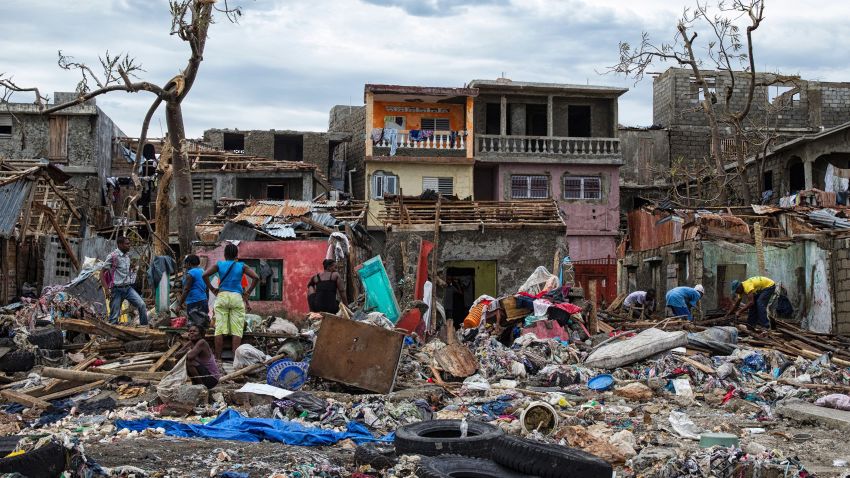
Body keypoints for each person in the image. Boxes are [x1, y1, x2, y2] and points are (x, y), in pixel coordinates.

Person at [202, 243, 259, 360]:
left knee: (219, 329)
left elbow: (205, 275)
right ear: (236, 255)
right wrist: (248, 293)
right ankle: (235, 359)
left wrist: (212, 289)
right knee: (237, 330)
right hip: (237, 297)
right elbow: (256, 277)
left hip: (222, 296)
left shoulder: (219, 265)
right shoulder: (241, 266)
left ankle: (218, 359)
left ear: (225, 254)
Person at [101, 236, 148, 326]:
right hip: (116, 290)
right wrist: (106, 289)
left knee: (142, 305)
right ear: (120, 245)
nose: (129, 246)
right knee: (114, 317)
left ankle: (144, 329)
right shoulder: (113, 256)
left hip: (128, 288)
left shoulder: (127, 256)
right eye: (127, 244)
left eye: (129, 244)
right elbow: (102, 273)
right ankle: (111, 337)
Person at [180, 324, 220, 389]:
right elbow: (176, 355)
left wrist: (186, 351)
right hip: (204, 376)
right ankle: (195, 383)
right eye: (190, 331)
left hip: (212, 379)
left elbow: (189, 357)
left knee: (189, 362)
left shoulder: (202, 342)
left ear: (201, 334)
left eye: (194, 331)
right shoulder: (190, 343)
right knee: (184, 362)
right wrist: (186, 350)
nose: (191, 333)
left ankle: (201, 387)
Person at [176, 254, 209, 328]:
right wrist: (207, 301)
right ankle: (202, 339)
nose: (185, 266)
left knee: (193, 325)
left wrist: (179, 304)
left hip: (194, 302)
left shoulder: (190, 274)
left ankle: (195, 339)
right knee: (202, 324)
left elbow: (186, 289)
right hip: (203, 301)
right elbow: (207, 288)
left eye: (186, 263)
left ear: (189, 263)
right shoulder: (202, 271)